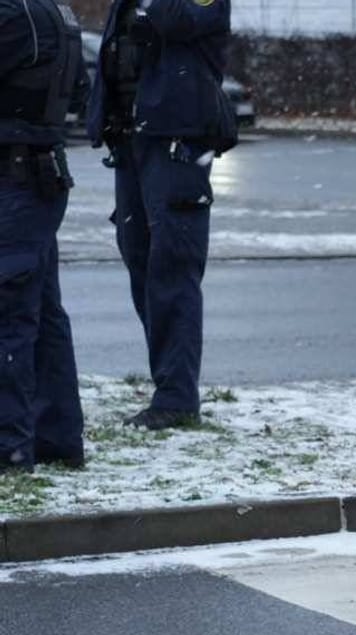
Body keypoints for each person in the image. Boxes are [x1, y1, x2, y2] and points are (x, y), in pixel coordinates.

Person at [87, 0, 235, 431]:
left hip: (176, 142)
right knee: (140, 259)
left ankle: (176, 396)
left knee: (172, 267)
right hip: (133, 139)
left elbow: (176, 20)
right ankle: (167, 382)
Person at [0, 0, 85, 473]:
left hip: (16, 180)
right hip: (37, 177)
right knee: (43, 314)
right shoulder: (56, 12)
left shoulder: (14, 16)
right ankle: (56, 437)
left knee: (10, 315)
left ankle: (9, 445)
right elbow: (80, 92)